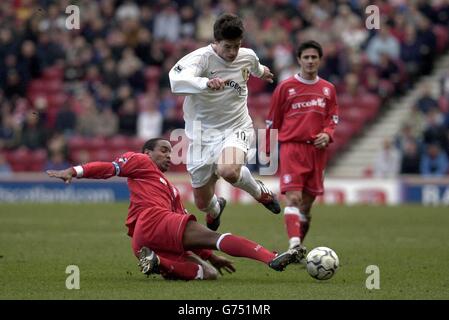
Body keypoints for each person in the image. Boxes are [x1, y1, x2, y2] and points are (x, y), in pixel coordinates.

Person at [47, 138, 304, 281]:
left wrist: (212, 258)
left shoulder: (169, 189)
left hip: (143, 241)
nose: (169, 155)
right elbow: (109, 168)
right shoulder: (140, 162)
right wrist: (74, 171)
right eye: (163, 150)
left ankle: (160, 263)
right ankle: (270, 258)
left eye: (171, 152)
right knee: (216, 238)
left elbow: (186, 233)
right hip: (154, 221)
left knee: (209, 274)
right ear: (147, 152)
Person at [168, 13, 280, 231]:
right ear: (215, 42)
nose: (232, 52)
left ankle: (260, 193)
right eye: (227, 47)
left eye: (237, 46)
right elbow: (176, 81)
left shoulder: (247, 56)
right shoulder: (200, 59)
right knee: (202, 203)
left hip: (236, 127)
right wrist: (205, 83)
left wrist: (263, 72)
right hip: (201, 135)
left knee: (228, 170)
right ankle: (216, 208)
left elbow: (256, 67)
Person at [266, 40, 339, 254]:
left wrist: (327, 134)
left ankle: (298, 246)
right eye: (306, 57)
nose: (310, 61)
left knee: (306, 206)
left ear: (319, 60)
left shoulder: (328, 89)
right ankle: (294, 244)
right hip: (292, 149)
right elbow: (272, 121)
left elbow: (332, 118)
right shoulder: (285, 88)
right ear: (299, 60)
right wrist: (269, 151)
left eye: (313, 57)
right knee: (294, 198)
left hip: (317, 152)